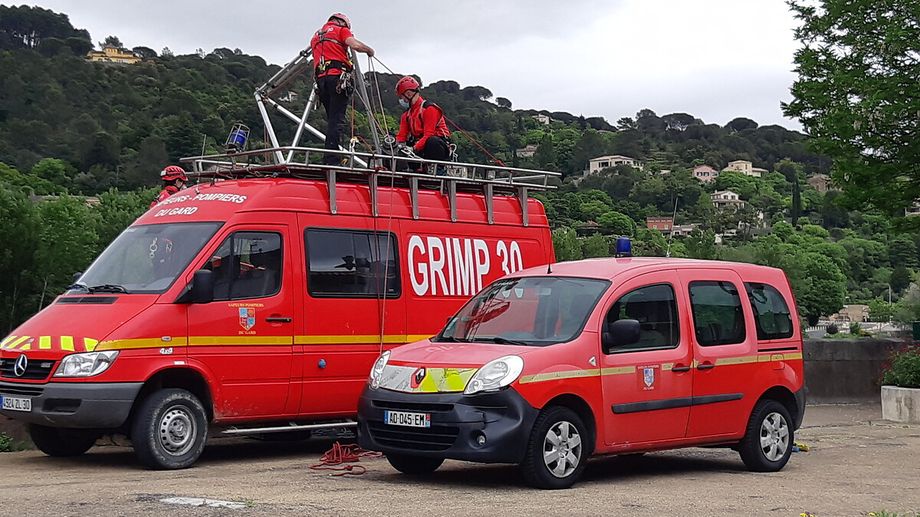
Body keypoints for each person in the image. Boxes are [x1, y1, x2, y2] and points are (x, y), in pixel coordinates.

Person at [310, 13, 375, 165]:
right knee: (336, 121)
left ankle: (331, 155)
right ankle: (332, 159)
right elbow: (355, 45)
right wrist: (369, 50)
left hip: (321, 82)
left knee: (332, 120)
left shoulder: (316, 36)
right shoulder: (341, 30)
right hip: (337, 79)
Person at [394, 76, 452, 172]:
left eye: (401, 97)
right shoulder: (406, 115)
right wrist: (394, 146)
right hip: (419, 146)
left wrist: (413, 149)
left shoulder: (429, 109)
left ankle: (438, 170)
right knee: (400, 148)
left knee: (432, 141)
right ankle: (408, 170)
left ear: (408, 94)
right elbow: (401, 136)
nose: (401, 100)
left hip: (436, 147)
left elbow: (428, 134)